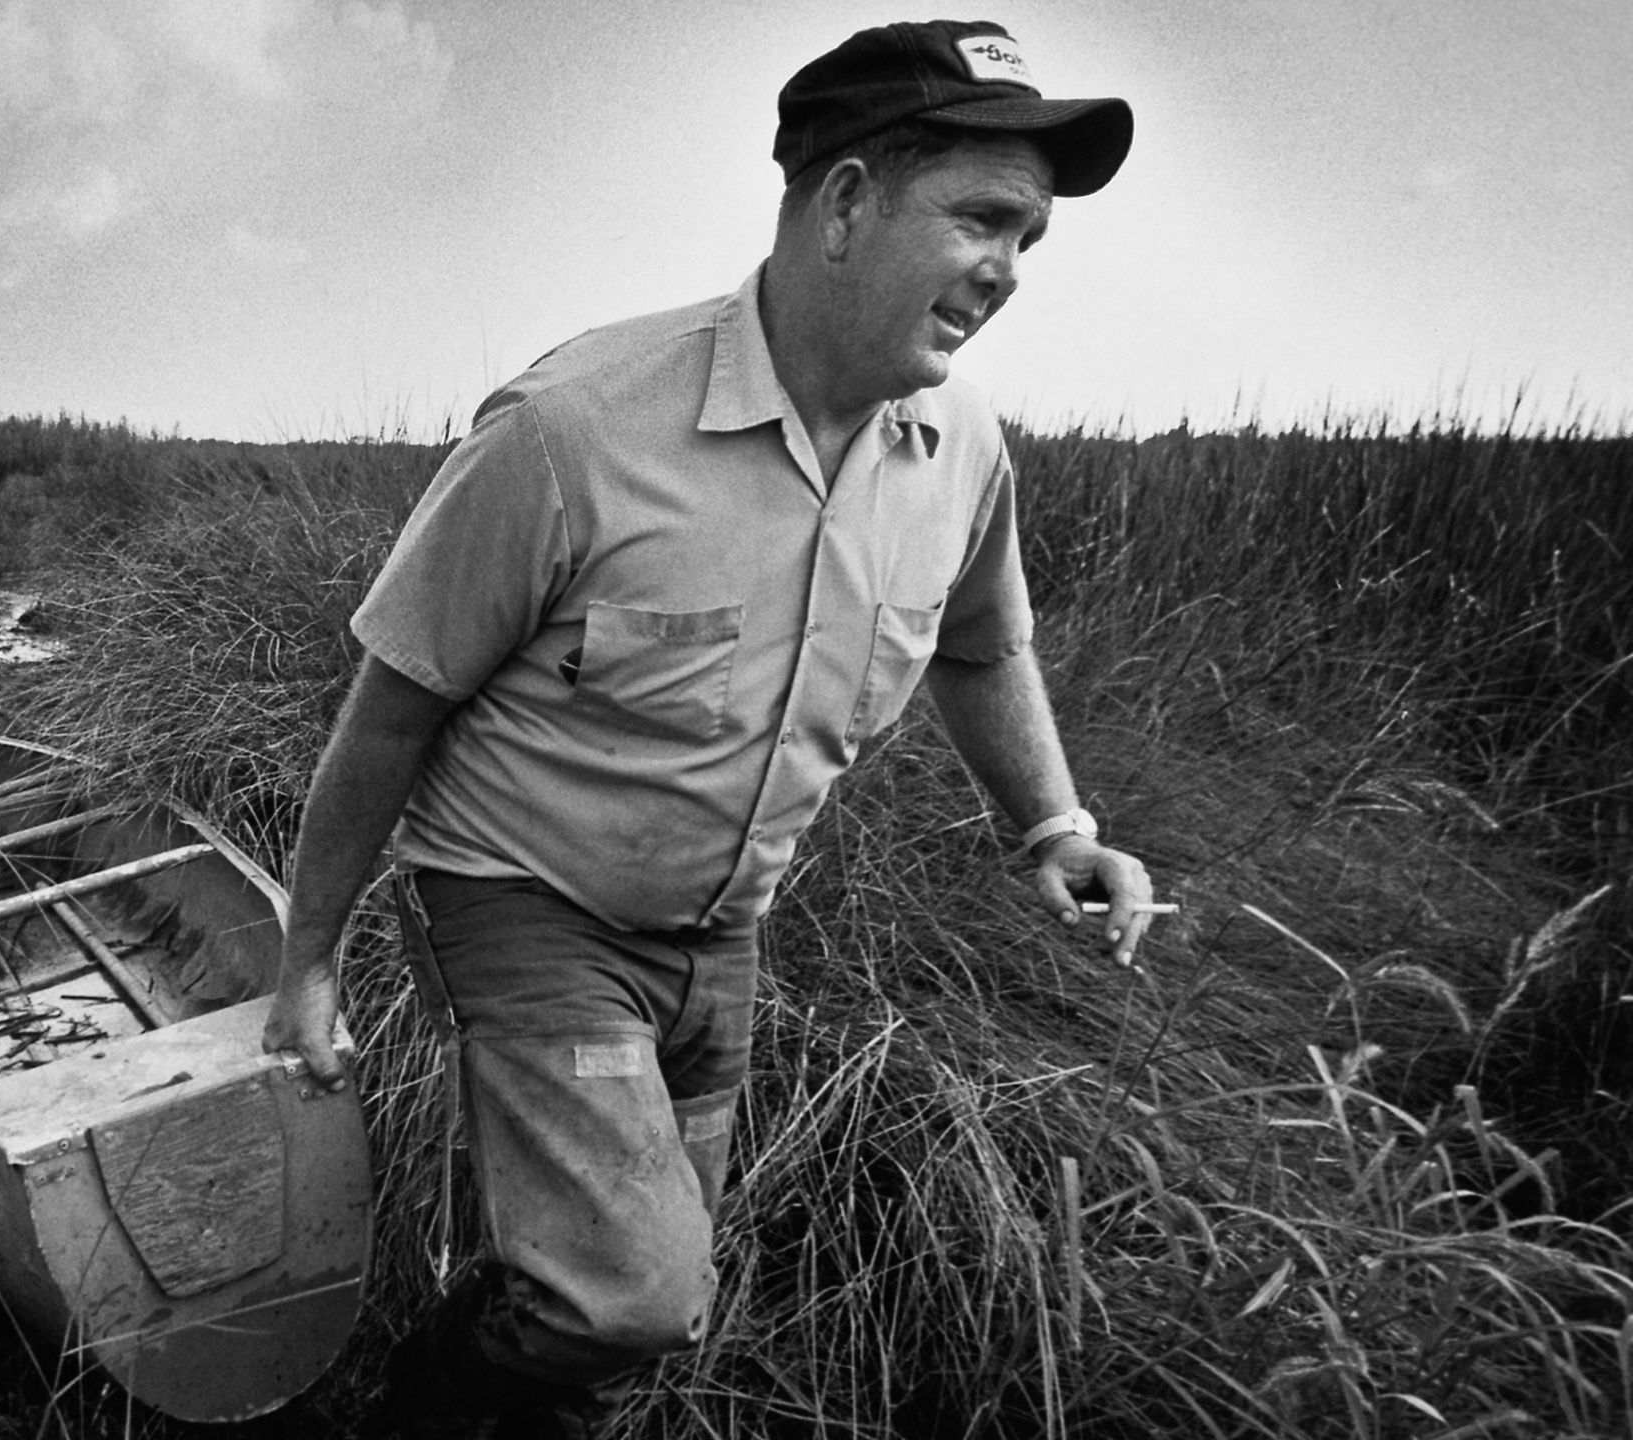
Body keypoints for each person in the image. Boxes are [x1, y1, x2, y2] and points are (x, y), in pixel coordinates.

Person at [263, 19, 1154, 1439]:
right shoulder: (573, 430)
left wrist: (1053, 825)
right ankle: (404, 1418)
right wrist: (306, 960)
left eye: (1030, 240)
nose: (1005, 272)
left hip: (722, 929)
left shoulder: (959, 450)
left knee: (607, 1328)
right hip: (523, 902)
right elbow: (391, 709)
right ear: (849, 203)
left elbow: (985, 649)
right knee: (635, 1292)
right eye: (981, 220)